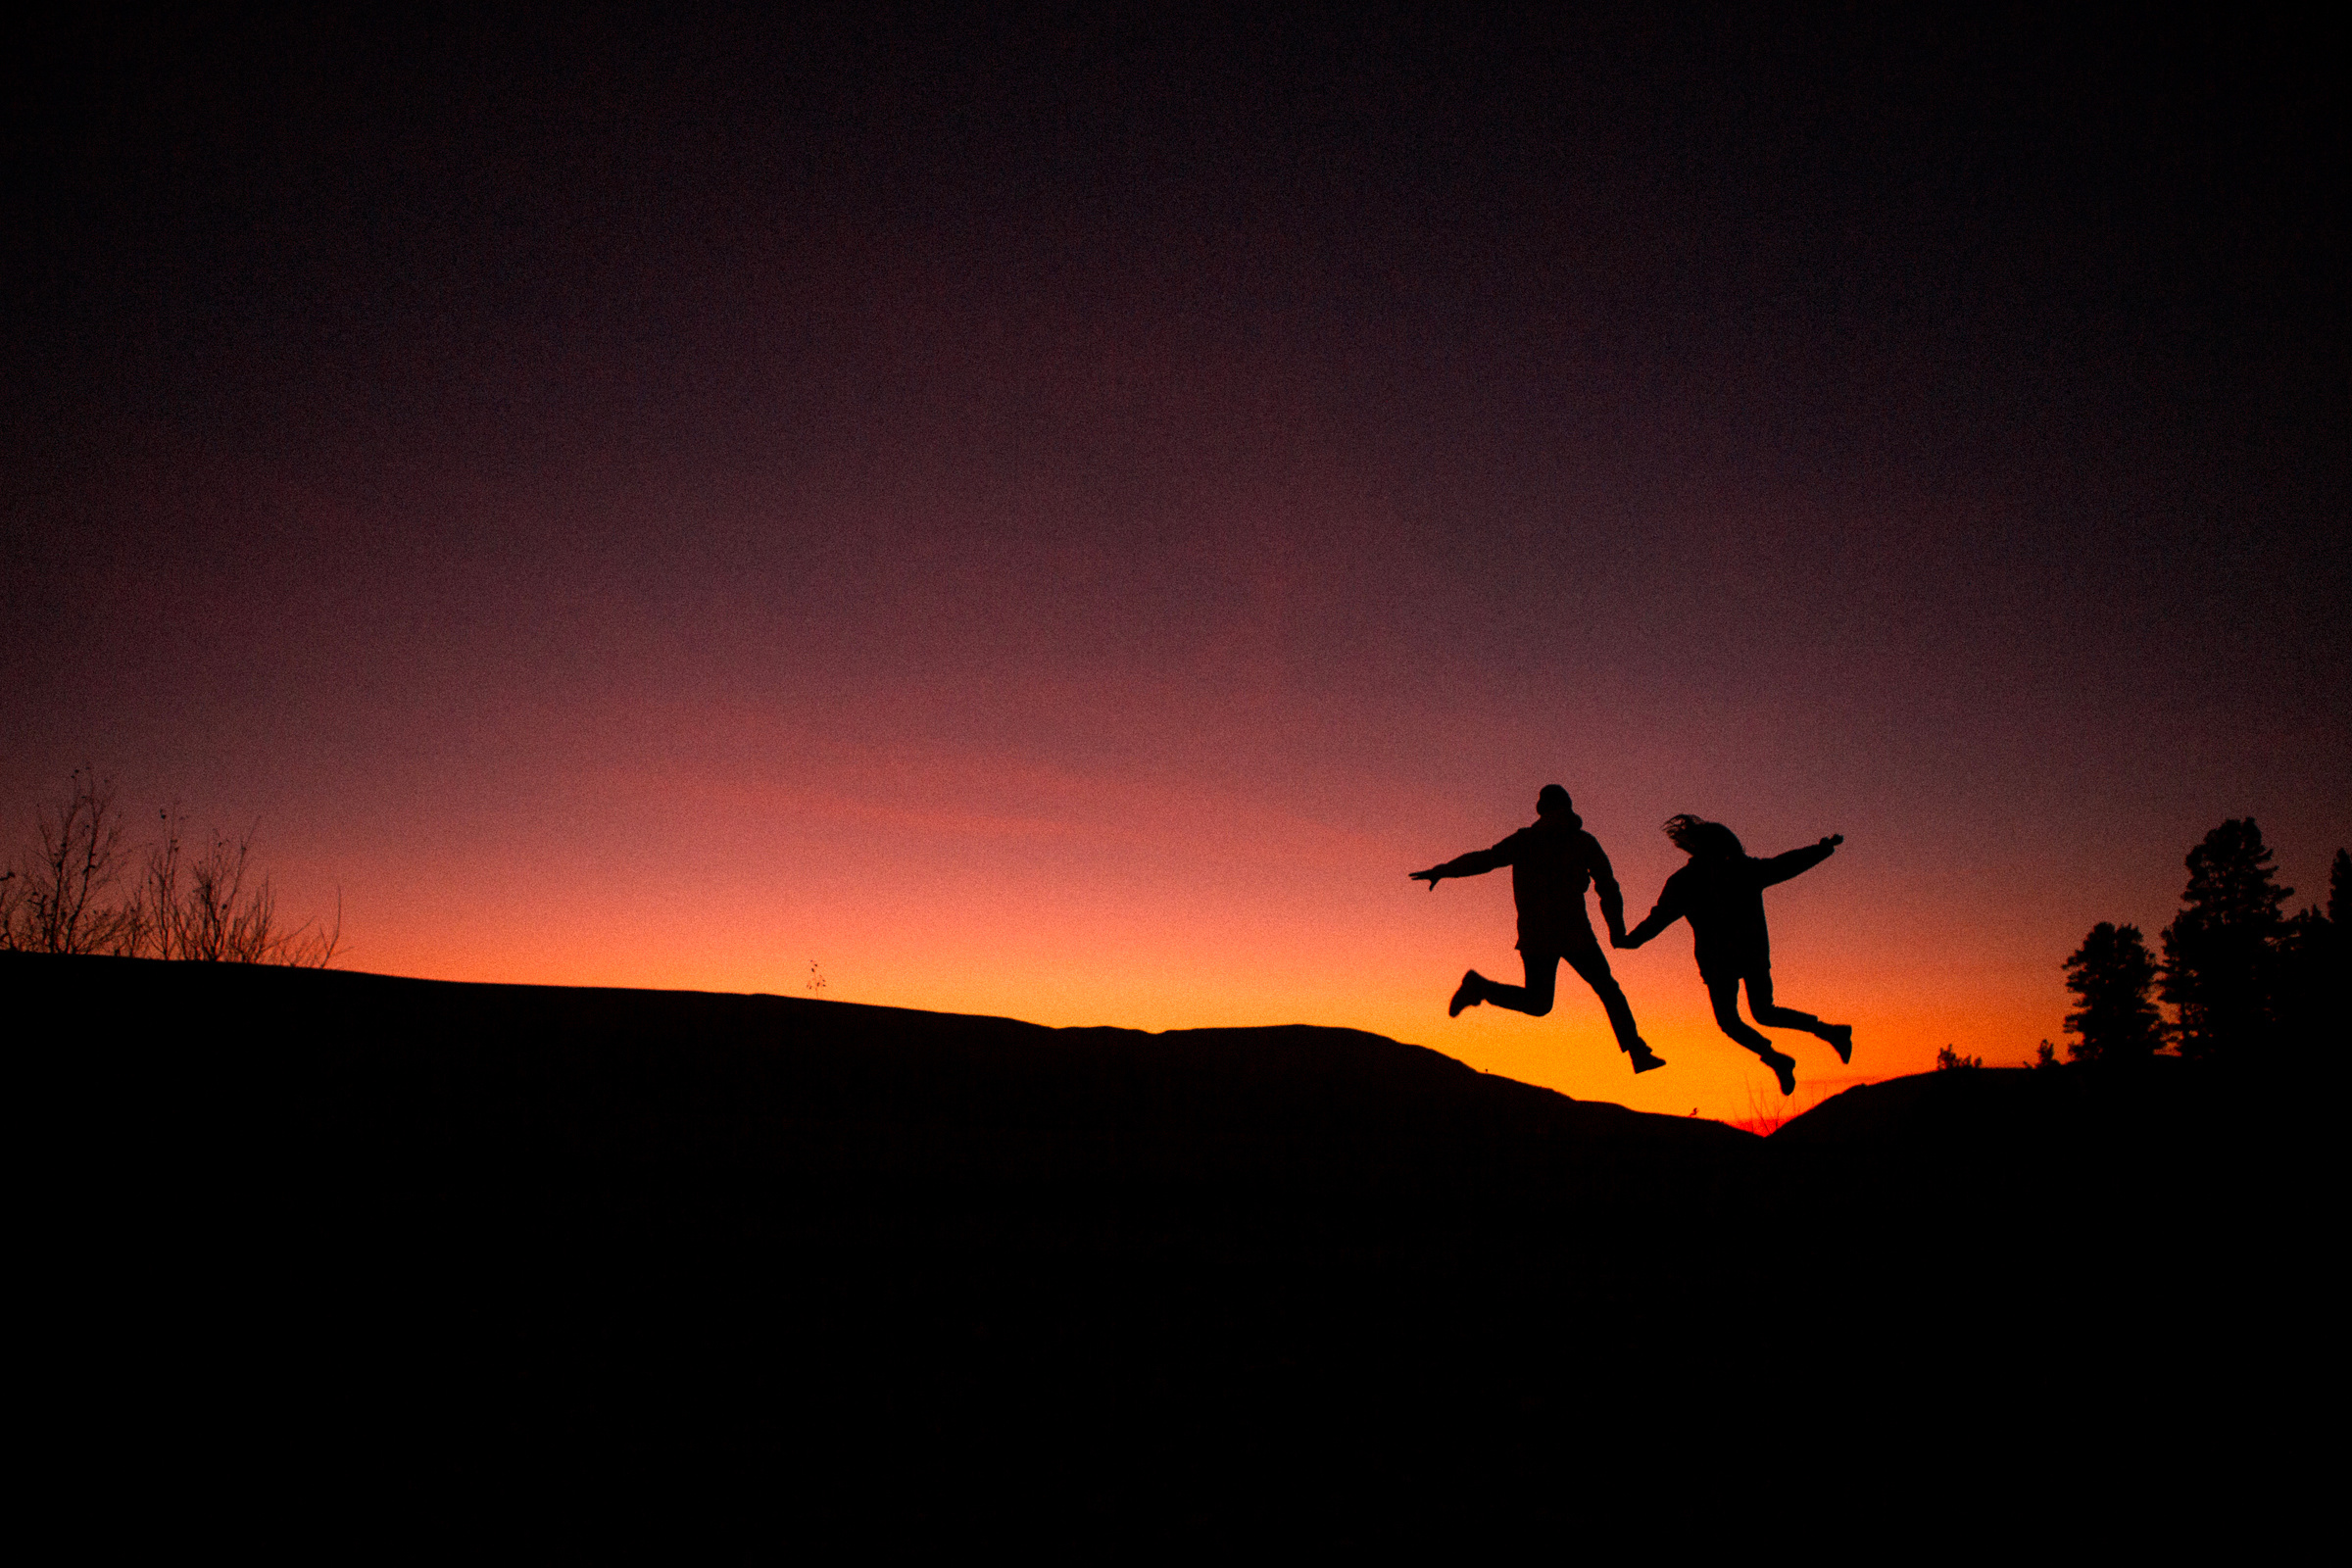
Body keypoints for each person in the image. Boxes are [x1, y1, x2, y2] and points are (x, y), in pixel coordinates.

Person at [1410, 785, 1664, 1074]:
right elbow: (1486, 860)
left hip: (1557, 933)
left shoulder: (1557, 841)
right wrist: (1444, 869)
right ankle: (1637, 1052)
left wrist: (1443, 870)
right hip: (1557, 933)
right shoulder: (1554, 841)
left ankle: (1637, 1052)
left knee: (1566, 997)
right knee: (1584, 994)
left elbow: (1607, 886)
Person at [1615, 814, 1853, 1096]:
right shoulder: (1733, 871)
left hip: (1723, 959)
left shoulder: (1691, 879)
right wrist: (1822, 849)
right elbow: (1784, 865)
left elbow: (1659, 918)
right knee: (1760, 1013)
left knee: (1737, 1019)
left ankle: (1791, 1052)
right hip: (1741, 954)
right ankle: (1812, 1042)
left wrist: (1632, 940)